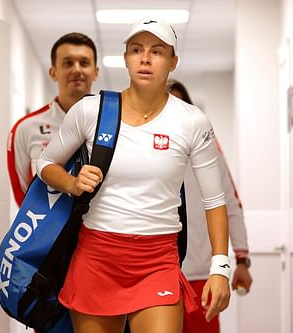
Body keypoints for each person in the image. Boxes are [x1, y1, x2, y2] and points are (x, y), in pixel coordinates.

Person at [36, 18, 231, 333]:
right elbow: (45, 164)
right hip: (97, 255)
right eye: (136, 50)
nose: (145, 58)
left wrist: (221, 267)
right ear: (125, 57)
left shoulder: (192, 121)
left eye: (157, 51)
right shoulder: (92, 111)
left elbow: (215, 199)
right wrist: (72, 183)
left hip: (158, 260)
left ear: (172, 62)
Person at [168, 79, 253, 333]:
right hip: (153, 275)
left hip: (199, 276)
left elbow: (231, 204)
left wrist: (242, 260)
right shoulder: (140, 149)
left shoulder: (209, 150)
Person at [7, 32, 99, 206]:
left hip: (96, 229)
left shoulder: (111, 124)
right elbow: (22, 194)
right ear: (53, 72)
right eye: (68, 63)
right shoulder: (26, 128)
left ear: (95, 72)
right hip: (48, 228)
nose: (77, 69)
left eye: (84, 63)